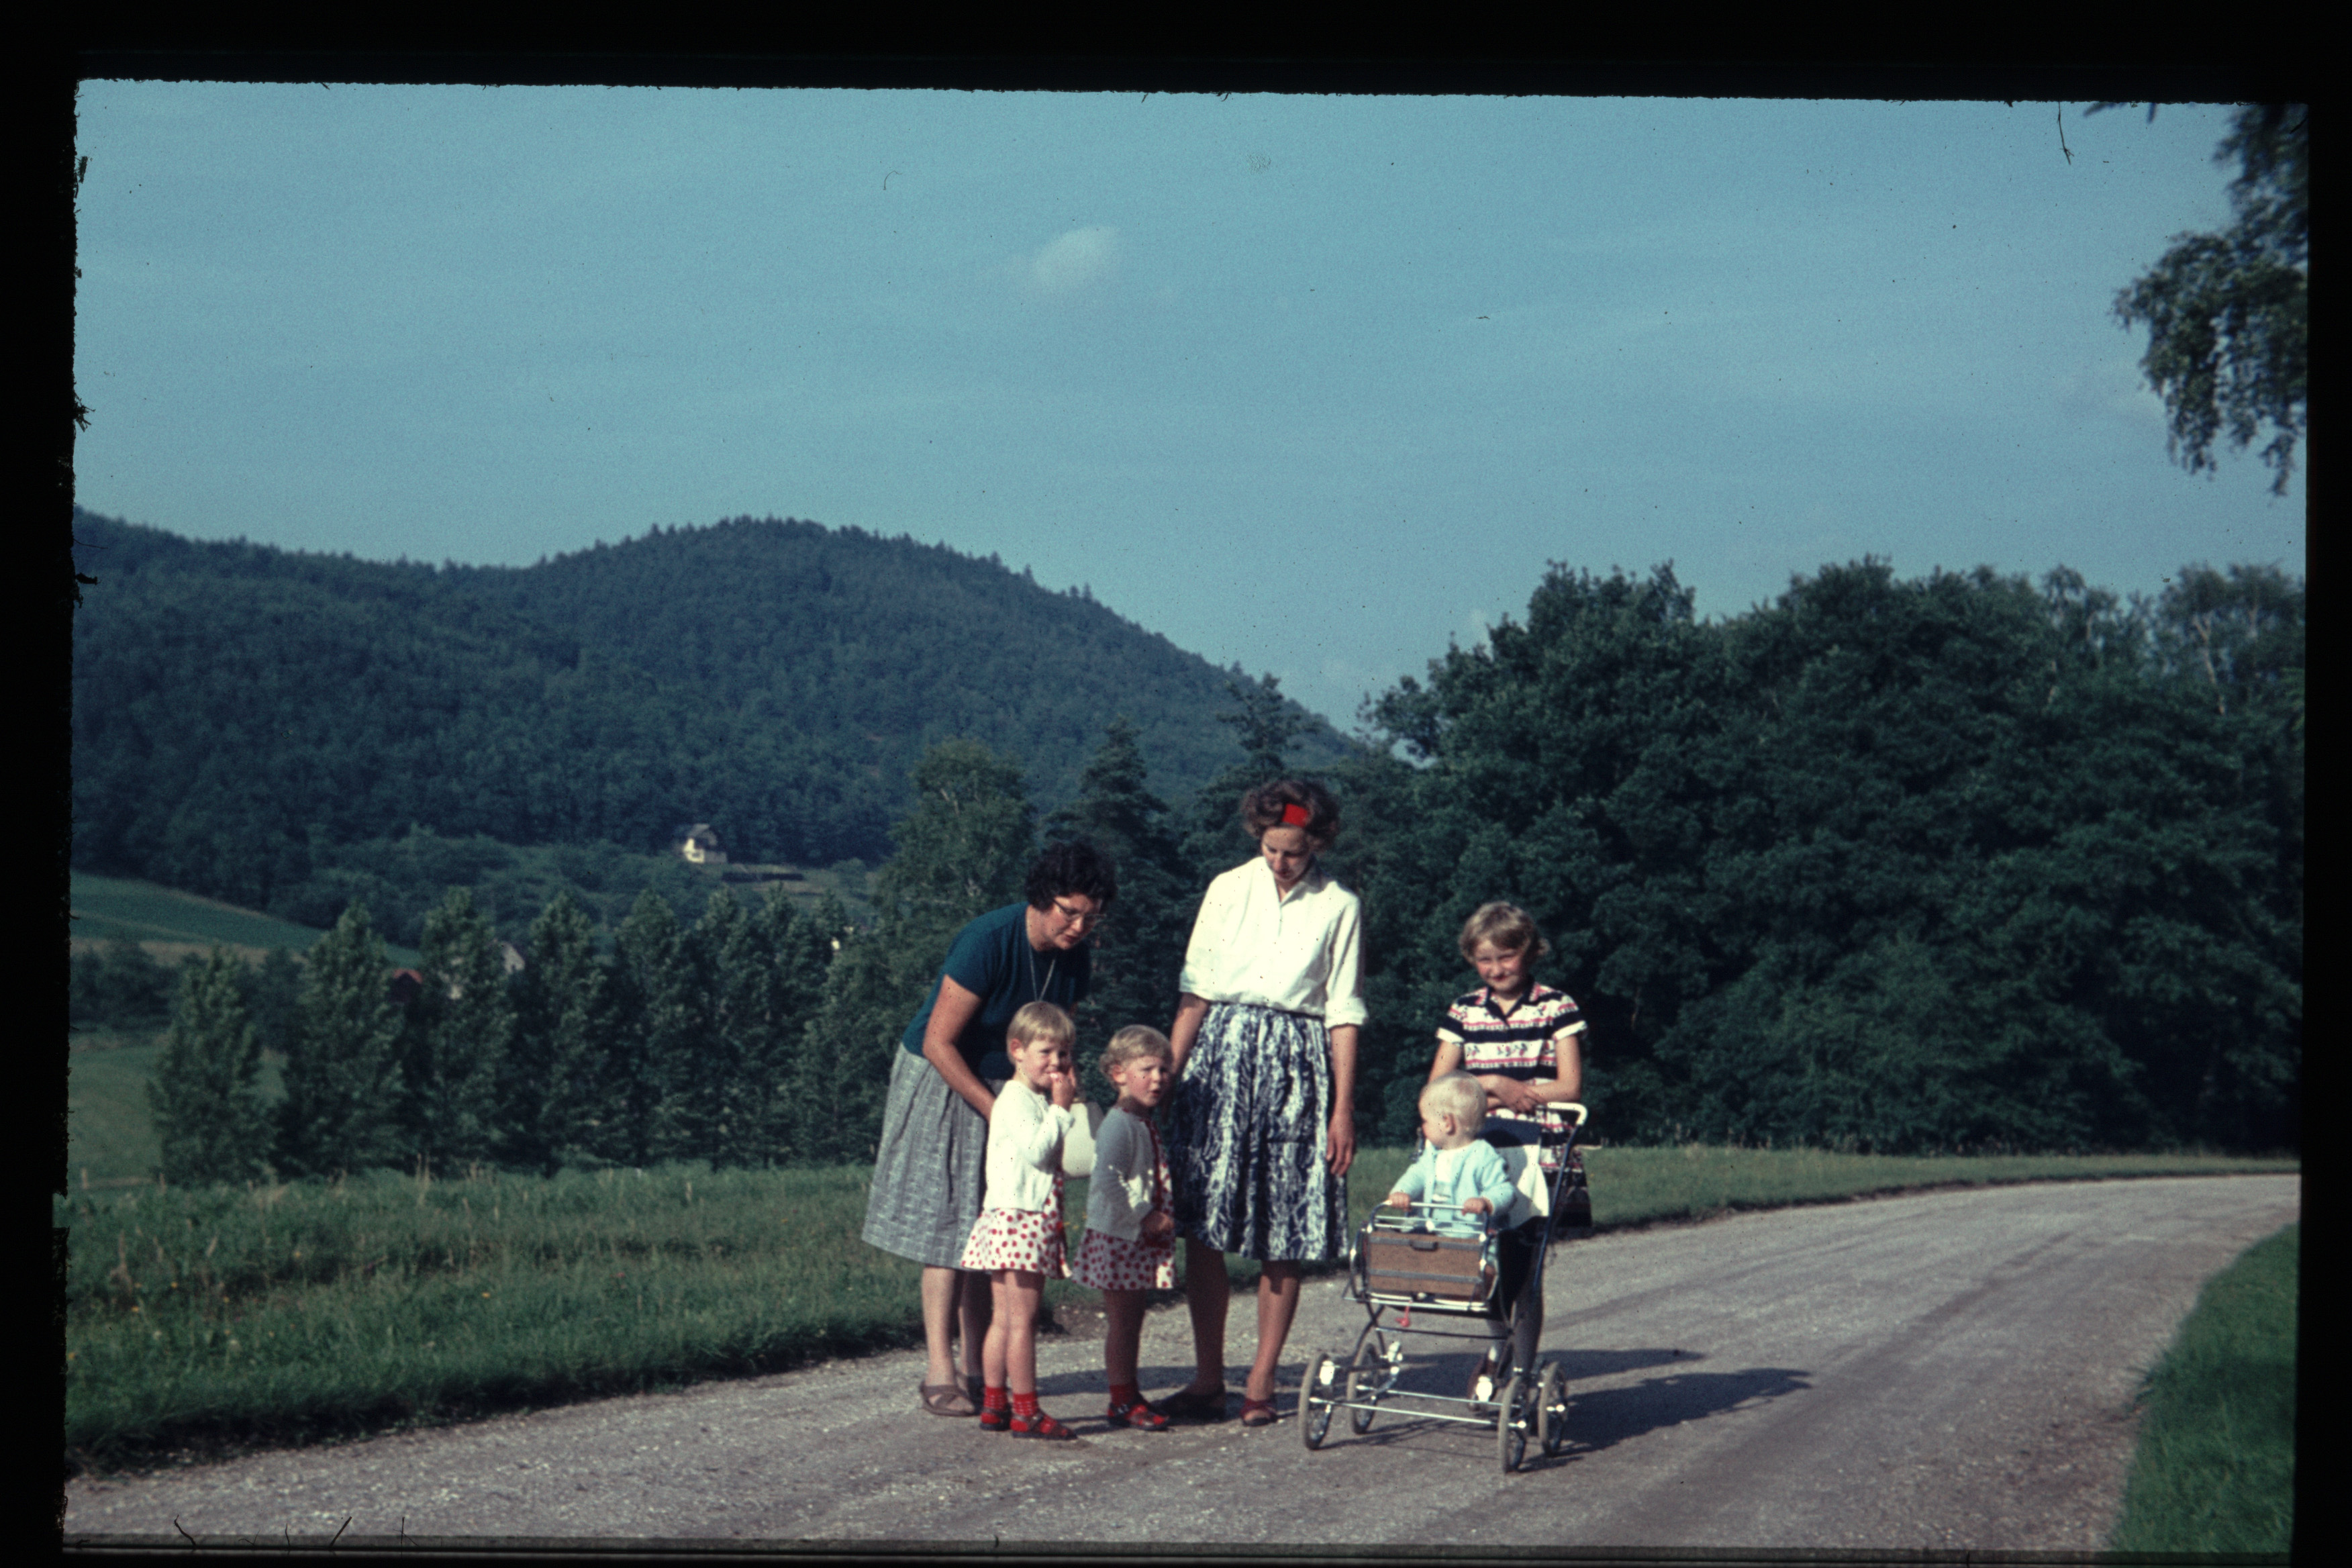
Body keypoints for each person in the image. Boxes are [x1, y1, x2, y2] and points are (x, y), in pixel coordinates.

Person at [861, 840, 1116, 1418]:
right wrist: (997, 1109)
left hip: (1014, 1085)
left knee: (994, 1218)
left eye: (1091, 917)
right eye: (1069, 912)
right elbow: (938, 1041)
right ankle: (940, 1370)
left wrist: (1062, 1094)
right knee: (947, 1222)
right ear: (1042, 898)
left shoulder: (1074, 956)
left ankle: (983, 1369)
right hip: (946, 1075)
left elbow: (1062, 1036)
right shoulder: (989, 939)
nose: (1079, 927)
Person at [1161, 778, 1364, 1428]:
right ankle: (1206, 1378)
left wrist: (1342, 1109)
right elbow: (1196, 990)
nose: (1280, 862)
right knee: (1205, 1221)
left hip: (1298, 1064)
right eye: (1271, 848)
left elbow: (1344, 1011)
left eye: (1294, 852)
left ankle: (1262, 1377)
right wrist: (1166, 1077)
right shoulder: (1228, 888)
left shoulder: (1340, 904)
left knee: (1286, 1222)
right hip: (1220, 1054)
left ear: (1318, 843)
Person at [1428, 900, 1587, 1399]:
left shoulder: (1555, 1007)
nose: (1496, 969)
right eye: (1485, 959)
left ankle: (1522, 1367)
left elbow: (1569, 1087)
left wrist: (1482, 1093)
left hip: (1539, 1152)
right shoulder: (1465, 1011)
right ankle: (1498, 1349)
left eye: (1506, 957)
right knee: (1481, 1260)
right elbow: (1438, 1087)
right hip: (1478, 1149)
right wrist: (1497, 1084)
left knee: (1524, 1269)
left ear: (1530, 952)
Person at [959, 1002, 1097, 1439]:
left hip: (1010, 1219)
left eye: (1064, 1054)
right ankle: (1026, 1410)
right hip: (1022, 1220)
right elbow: (1039, 1152)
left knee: (1004, 1319)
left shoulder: (1028, 1098)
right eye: (1046, 1053)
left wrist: (1059, 1106)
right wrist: (1062, 1108)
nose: (1056, 1063)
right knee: (1022, 1322)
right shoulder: (1018, 1099)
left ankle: (995, 1404)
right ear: (1017, 1050)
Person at [1072, 1025, 1179, 1431]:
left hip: (1132, 1238)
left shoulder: (1141, 1120)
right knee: (1123, 1323)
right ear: (1118, 1074)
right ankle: (1121, 1400)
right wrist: (1145, 1214)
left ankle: (1129, 1394)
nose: (1157, 1079)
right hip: (1119, 1237)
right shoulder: (1119, 1124)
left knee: (1132, 1320)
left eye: (1164, 1070)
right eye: (1146, 1070)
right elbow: (1106, 1178)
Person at [1384, 1071, 1515, 1238]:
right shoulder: (1432, 1153)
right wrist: (1402, 1192)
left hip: (1467, 1237)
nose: (1422, 1127)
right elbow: (1416, 1175)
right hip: (1428, 1231)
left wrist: (1486, 1201)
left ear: (1447, 1123)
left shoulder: (1483, 1156)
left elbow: (1504, 1190)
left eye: (1425, 1121)